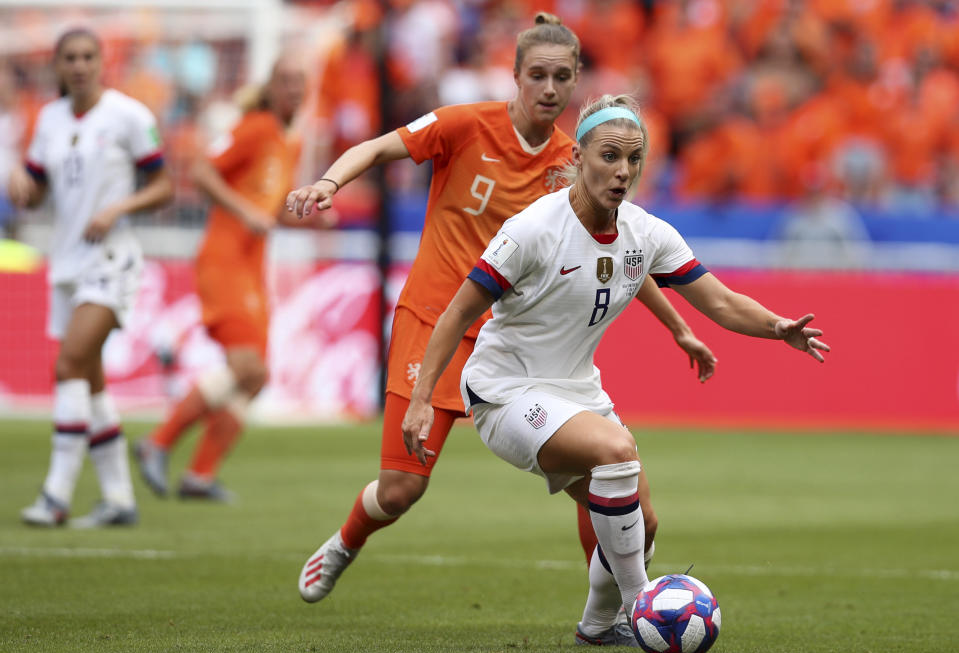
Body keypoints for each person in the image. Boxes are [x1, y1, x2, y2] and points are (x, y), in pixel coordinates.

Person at [286, 13, 716, 615]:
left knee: (606, 486)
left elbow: (620, 253)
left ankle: (614, 617)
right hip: (438, 319)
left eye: (561, 77)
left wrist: (678, 327)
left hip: (515, 344)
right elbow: (382, 146)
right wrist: (330, 182)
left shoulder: (580, 160)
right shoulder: (466, 126)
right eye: (536, 75)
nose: (548, 88)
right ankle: (344, 543)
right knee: (404, 486)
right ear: (514, 77)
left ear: (574, 83)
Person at [401, 94, 830, 645]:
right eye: (609, 156)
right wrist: (419, 400)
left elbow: (720, 303)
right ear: (578, 156)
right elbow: (457, 312)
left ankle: (597, 627)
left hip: (577, 393)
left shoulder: (646, 234)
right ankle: (643, 609)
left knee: (642, 523)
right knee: (617, 452)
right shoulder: (532, 229)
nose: (622, 171)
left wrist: (778, 328)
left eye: (633, 159)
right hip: (504, 392)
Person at [9, 27, 173, 527]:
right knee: (92, 382)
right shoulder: (50, 120)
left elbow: (164, 185)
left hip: (112, 258)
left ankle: (56, 495)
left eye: (87, 57)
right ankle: (119, 498)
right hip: (67, 263)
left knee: (68, 365)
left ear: (102, 62)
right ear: (57, 66)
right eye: (69, 58)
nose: (79, 65)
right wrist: (21, 184)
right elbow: (37, 192)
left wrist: (119, 207)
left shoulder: (128, 115)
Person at [134, 56, 312, 501]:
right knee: (245, 367)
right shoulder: (254, 126)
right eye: (285, 80)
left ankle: (199, 475)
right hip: (224, 261)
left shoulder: (292, 141)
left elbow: (267, 210)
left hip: (252, 268)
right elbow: (200, 171)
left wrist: (307, 219)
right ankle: (158, 441)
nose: (293, 88)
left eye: (299, 81)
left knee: (256, 377)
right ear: (269, 88)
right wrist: (244, 212)